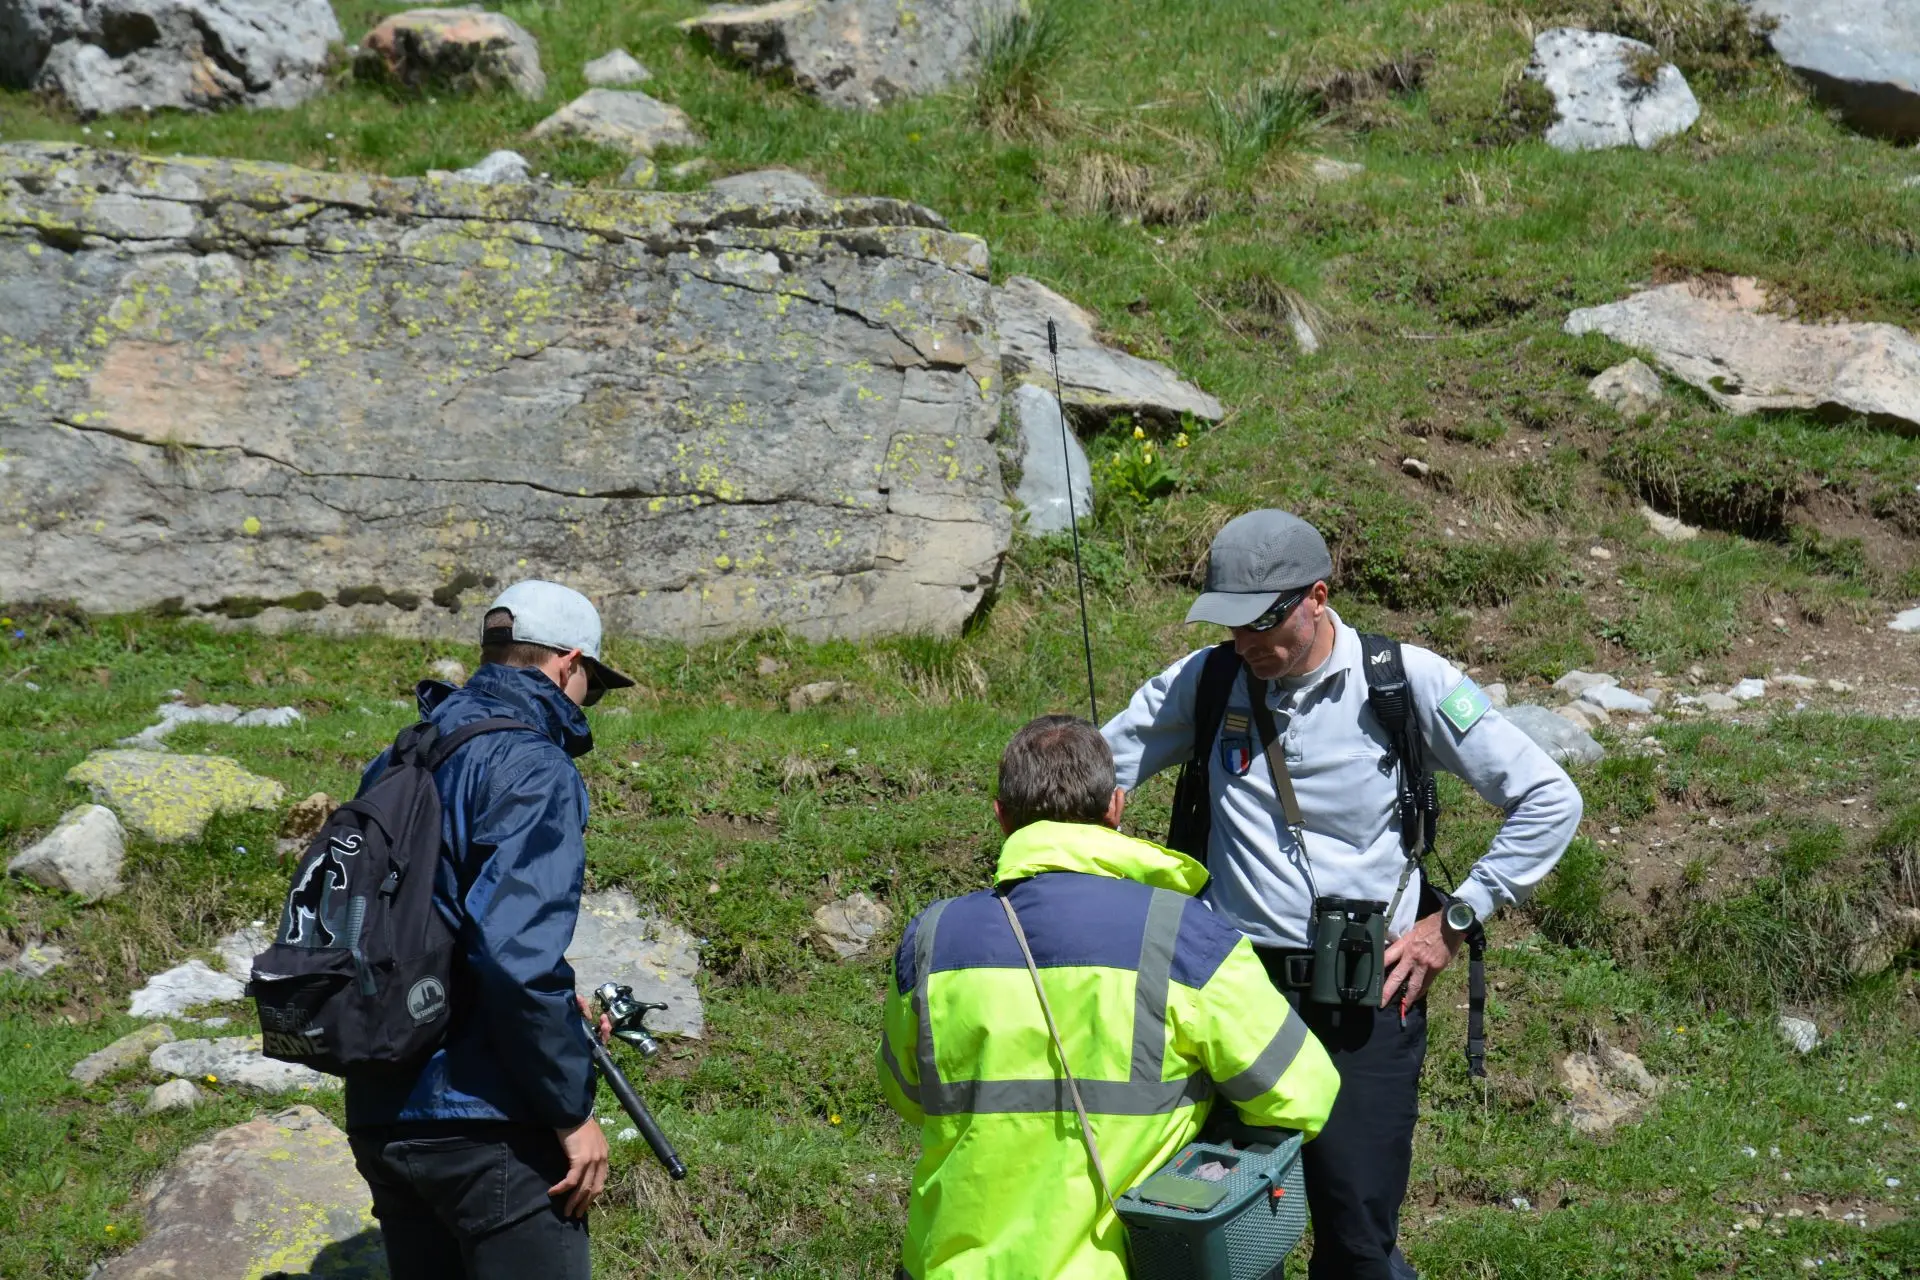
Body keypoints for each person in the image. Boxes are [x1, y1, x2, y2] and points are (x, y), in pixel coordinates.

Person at [1102, 509, 1583, 1280]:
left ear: (1318, 597)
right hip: (1230, 996)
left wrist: (1452, 921)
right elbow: (1097, 773)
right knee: (1201, 1231)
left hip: (1367, 997)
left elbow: (1549, 799)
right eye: (1231, 625)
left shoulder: (1403, 680)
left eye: (1263, 623)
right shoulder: (1208, 679)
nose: (1247, 643)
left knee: (1358, 1232)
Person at [879, 714, 1340, 1280]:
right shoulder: (1183, 935)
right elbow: (1303, 1093)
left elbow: (907, 1094)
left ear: (1001, 816)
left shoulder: (931, 939)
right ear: (1116, 807)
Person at [345, 580, 636, 1280]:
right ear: (567, 663)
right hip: (489, 1126)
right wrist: (570, 1112)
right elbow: (514, 958)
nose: (584, 704)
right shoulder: (533, 765)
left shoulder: (401, 755)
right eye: (590, 687)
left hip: (382, 1109)